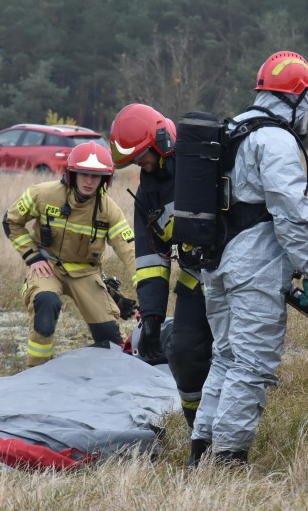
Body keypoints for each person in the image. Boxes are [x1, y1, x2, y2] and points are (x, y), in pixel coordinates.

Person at [188, 51, 308, 466]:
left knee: (226, 357)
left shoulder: (234, 129)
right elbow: (289, 212)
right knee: (251, 365)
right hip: (255, 267)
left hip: (217, 262)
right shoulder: (276, 140)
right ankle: (228, 459)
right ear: (296, 97)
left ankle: (201, 450)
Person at [110, 103, 213, 429]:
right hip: (196, 277)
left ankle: (229, 437)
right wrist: (152, 316)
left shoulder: (202, 161)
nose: (140, 164)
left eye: (142, 155)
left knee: (229, 357)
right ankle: (200, 433)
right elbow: (151, 260)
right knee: (182, 352)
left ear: (160, 142)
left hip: (233, 276)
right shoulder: (149, 191)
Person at [4, 141, 137, 367]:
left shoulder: (109, 210)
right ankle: (37, 373)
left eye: (95, 176)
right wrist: (33, 257)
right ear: (71, 174)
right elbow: (11, 221)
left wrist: (145, 287)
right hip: (48, 268)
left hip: (86, 272)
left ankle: (115, 381)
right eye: (83, 174)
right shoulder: (42, 194)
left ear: (105, 179)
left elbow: (129, 249)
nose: (88, 181)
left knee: (110, 336)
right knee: (45, 302)